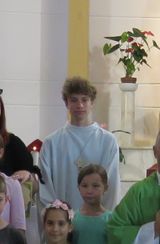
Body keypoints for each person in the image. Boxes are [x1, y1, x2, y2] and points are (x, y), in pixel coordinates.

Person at [38, 77, 121, 211]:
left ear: (92, 102)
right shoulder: (52, 142)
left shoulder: (107, 141)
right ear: (66, 103)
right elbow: (45, 187)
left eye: (84, 100)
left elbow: (111, 185)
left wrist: (103, 217)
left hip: (97, 218)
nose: (80, 105)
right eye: (73, 100)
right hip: (62, 221)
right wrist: (58, 217)